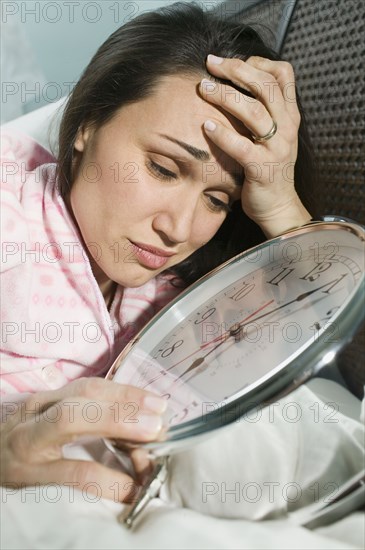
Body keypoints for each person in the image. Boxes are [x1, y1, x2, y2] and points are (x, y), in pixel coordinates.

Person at [1, 2, 316, 502]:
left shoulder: (183, 296)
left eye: (218, 200)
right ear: (89, 123)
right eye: (163, 169)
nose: (178, 229)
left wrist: (280, 203)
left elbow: (317, 328)